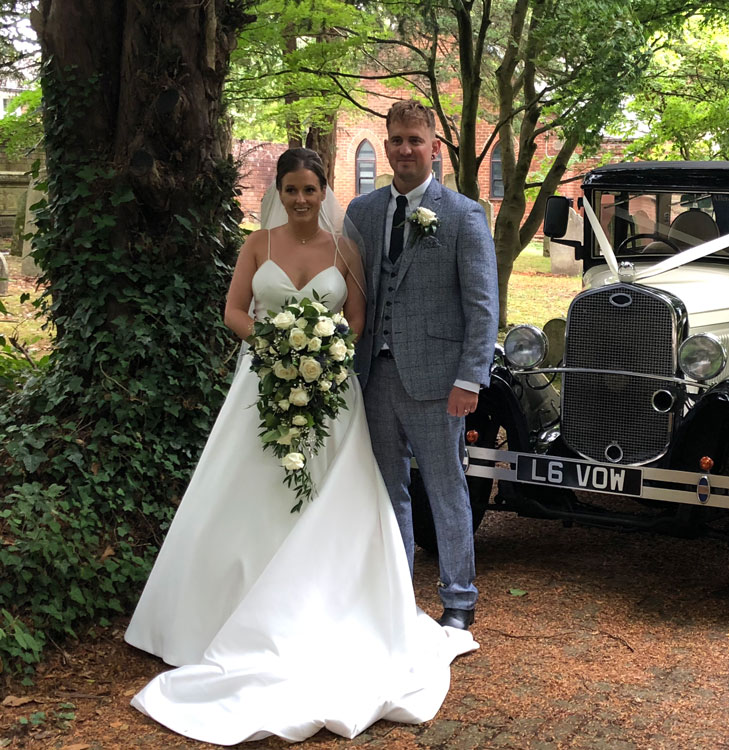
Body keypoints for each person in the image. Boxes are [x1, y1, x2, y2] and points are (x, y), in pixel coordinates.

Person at [123, 147, 477, 745]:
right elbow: (234, 309)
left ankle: (328, 606)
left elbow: (359, 319)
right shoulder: (256, 246)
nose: (301, 199)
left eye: (310, 189)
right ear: (279, 193)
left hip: (330, 389)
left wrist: (319, 341)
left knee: (332, 497)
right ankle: (216, 615)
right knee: (248, 495)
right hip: (261, 383)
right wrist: (277, 339)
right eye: (291, 190)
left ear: (323, 191)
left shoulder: (346, 250)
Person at [347, 101, 499, 631]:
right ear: (385, 145)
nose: (405, 149)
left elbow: (482, 304)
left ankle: (459, 599)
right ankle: (396, 595)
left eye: (415, 139)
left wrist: (469, 378)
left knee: (445, 486)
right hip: (373, 377)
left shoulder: (461, 214)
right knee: (387, 488)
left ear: (434, 147)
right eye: (397, 140)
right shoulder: (361, 212)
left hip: (438, 381)